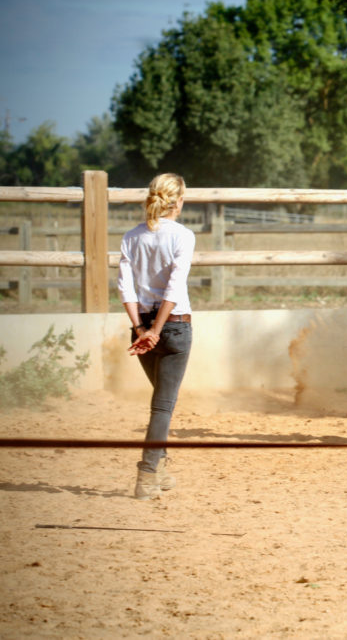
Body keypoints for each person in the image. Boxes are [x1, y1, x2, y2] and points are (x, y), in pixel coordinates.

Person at [117, 173, 195, 499]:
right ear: (177, 201)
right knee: (162, 407)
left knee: (160, 400)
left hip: (143, 328)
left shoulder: (131, 237)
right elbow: (175, 287)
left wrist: (141, 330)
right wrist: (157, 330)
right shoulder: (183, 235)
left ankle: (159, 468)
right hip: (173, 327)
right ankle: (147, 473)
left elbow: (126, 287)